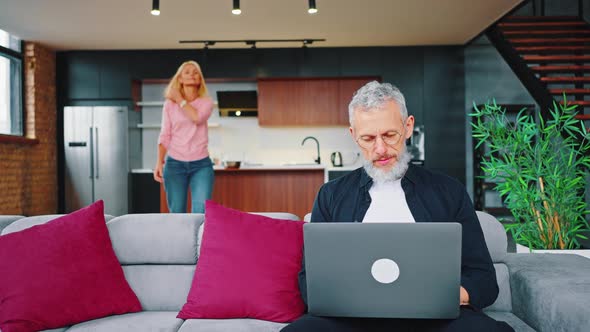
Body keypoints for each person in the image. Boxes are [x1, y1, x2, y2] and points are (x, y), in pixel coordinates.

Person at [281, 82, 514, 332]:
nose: (380, 149)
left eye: (389, 135)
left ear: (408, 126)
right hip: (351, 320)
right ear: (353, 135)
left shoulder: (449, 191)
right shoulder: (331, 195)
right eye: (368, 138)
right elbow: (310, 282)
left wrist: (444, 297)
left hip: (434, 319)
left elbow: (484, 280)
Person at [153, 60, 215, 213]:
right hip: (174, 164)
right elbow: (165, 134)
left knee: (201, 212)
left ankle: (198, 238)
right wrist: (159, 162)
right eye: (187, 72)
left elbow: (197, 118)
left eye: (196, 73)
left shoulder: (206, 102)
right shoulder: (169, 105)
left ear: (200, 79)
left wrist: (180, 100)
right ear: (179, 79)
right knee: (177, 213)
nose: (192, 75)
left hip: (201, 165)